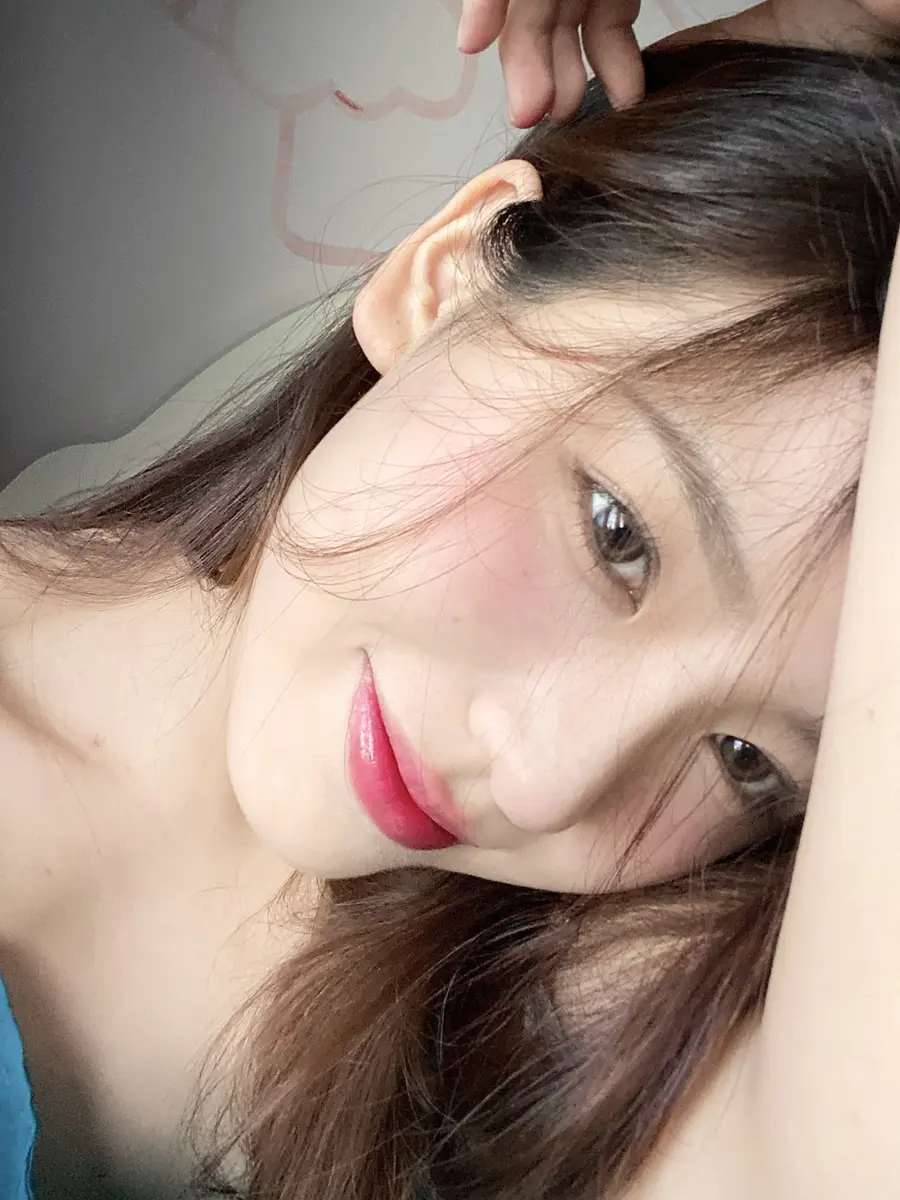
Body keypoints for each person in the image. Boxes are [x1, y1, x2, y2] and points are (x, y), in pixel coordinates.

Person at [1, 6, 900, 1199]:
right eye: (617, 535)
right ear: (443, 282)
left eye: (747, 761)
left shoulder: (604, 1006)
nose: (544, 783)